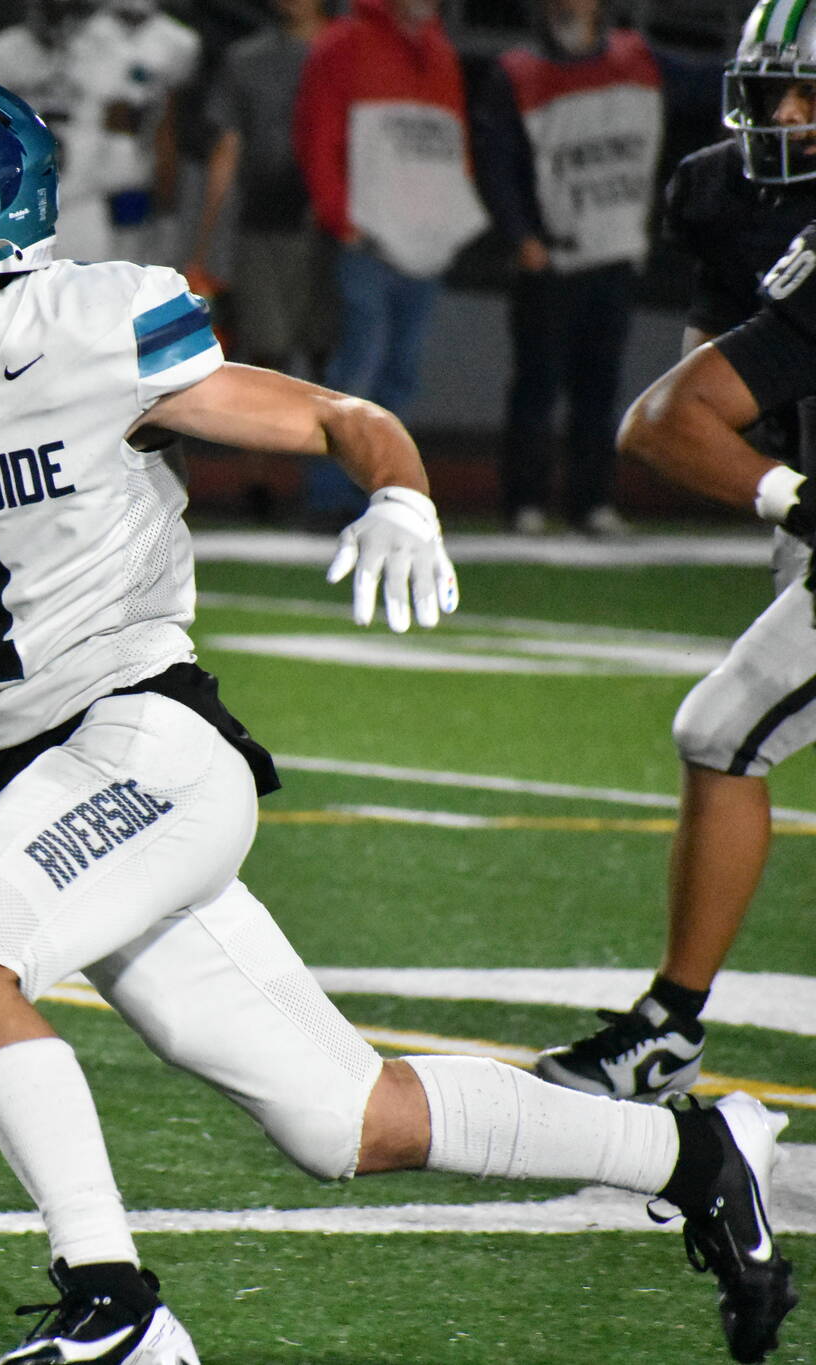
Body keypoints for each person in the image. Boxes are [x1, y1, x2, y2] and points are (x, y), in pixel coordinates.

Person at [0, 71, 797, 1365]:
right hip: (45, 783)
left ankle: (116, 1308)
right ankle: (694, 1149)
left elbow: (342, 414)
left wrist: (400, 494)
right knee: (348, 1118)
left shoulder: (101, 326)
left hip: (151, 744)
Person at [538, 1, 816, 1105]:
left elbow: (670, 417)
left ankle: (667, 1026)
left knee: (718, 729)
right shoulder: (723, 192)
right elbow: (687, 403)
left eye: (809, 97)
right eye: (773, 95)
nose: (785, 119)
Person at [471, 0, 664, 538]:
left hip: (616, 252)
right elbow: (497, 161)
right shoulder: (518, 70)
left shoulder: (639, 57)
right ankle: (525, 501)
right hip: (552, 255)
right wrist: (520, 235)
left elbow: (712, 82)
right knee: (538, 385)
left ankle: (592, 502)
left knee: (599, 387)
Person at [293, 0, 486, 526]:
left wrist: (447, 220)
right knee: (359, 369)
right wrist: (342, 219)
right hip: (369, 243)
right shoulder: (346, 43)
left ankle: (376, 494)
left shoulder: (440, 52)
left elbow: (450, 144)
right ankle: (330, 499)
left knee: (398, 376)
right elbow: (318, 133)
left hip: (421, 245)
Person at [182, 0, 332, 521]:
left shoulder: (350, 48)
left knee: (330, 355)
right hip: (264, 222)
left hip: (336, 228)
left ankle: (329, 487)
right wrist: (204, 245)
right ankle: (259, 484)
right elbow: (228, 146)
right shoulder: (247, 59)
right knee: (264, 354)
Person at [0, 0, 148, 265]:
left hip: (85, 198)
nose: (63, 21)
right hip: (15, 201)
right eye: (53, 9)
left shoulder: (113, 56)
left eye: (72, 10)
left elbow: (123, 137)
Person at [94, 0, 197, 269]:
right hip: (89, 158)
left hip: (143, 155)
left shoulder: (180, 41)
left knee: (140, 257)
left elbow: (175, 117)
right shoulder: (87, 34)